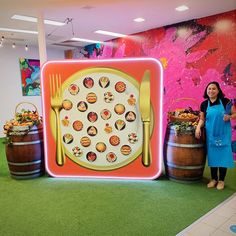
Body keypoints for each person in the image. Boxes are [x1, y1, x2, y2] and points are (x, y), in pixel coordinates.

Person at [195, 81, 235, 190]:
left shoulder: (225, 102)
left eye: (213, 89)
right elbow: (202, 119)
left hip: (224, 134)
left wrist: (230, 117)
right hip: (211, 134)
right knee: (212, 157)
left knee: (223, 156)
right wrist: (198, 127)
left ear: (218, 90)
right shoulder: (204, 104)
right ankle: (213, 179)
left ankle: (221, 180)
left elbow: (234, 113)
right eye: (209, 89)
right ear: (206, 91)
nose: (211, 91)